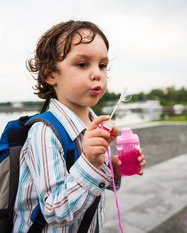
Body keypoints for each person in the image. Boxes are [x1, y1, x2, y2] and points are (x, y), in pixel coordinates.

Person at [13, 20, 146, 232]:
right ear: (50, 74)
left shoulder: (96, 126)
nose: (97, 74)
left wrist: (114, 169)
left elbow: (90, 188)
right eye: (83, 64)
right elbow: (55, 212)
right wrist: (90, 163)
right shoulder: (45, 132)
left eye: (102, 65)